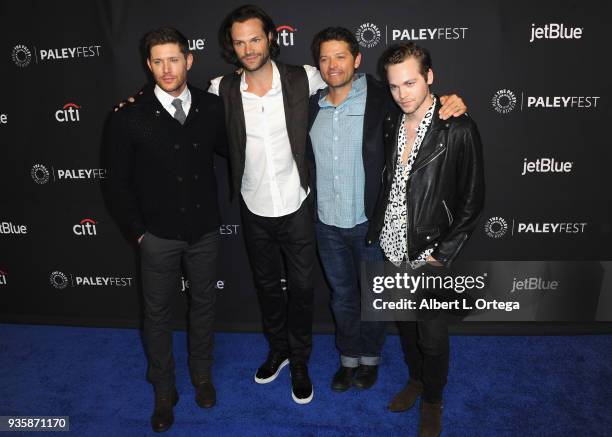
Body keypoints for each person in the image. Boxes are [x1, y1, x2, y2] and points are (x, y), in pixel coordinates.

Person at [307, 28, 467, 393]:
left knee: (375, 298)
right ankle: (349, 359)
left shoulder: (383, 99)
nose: (333, 65)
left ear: (357, 59)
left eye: (341, 56)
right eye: (325, 58)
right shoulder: (312, 104)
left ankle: (370, 360)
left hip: (370, 222)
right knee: (342, 296)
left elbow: (421, 102)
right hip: (326, 223)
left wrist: (453, 101)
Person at [104, 27, 227, 432]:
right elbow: (115, 184)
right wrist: (139, 234)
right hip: (156, 237)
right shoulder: (127, 116)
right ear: (148, 64)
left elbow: (243, 146)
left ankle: (202, 376)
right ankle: (163, 389)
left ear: (189, 60)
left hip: (205, 231)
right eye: (157, 61)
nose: (166, 68)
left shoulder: (212, 107)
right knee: (157, 318)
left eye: (173, 59)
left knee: (204, 307)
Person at [367, 43, 485, 437]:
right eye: (395, 86)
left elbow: (473, 199)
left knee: (432, 336)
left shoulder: (459, 126)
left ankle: (433, 399)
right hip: (392, 244)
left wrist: (443, 254)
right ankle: (416, 380)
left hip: (430, 252)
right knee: (404, 324)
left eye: (411, 83)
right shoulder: (390, 118)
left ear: (430, 77)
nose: (403, 94)